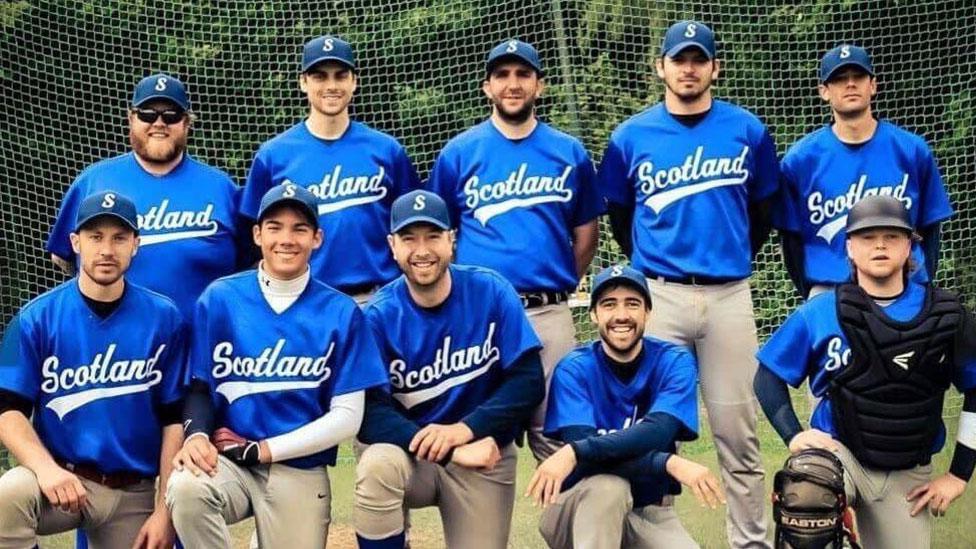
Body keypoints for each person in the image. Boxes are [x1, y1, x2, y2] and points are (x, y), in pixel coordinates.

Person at [597, 20, 778, 547]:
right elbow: (620, 216)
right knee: (655, 426)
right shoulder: (632, 136)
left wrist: (733, 254)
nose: (689, 68)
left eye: (699, 59)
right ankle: (657, 537)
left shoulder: (746, 130)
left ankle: (751, 542)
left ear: (714, 68)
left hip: (728, 295)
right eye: (680, 59)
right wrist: (651, 268)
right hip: (661, 296)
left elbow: (763, 211)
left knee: (737, 433)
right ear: (661, 67)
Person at [164, 183, 388, 548]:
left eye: (299, 228)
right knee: (186, 488)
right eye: (274, 227)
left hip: (299, 467)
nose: (287, 239)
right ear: (256, 234)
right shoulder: (220, 298)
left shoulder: (340, 311)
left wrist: (265, 448)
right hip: (229, 464)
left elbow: (348, 416)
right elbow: (200, 387)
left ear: (317, 238)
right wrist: (198, 436)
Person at [755, 195, 976, 548]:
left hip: (907, 470)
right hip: (839, 458)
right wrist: (793, 435)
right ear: (850, 248)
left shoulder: (947, 317)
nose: (880, 246)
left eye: (892, 236)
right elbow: (767, 378)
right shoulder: (821, 312)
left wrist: (959, 474)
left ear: (910, 247)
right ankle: (829, 522)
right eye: (867, 237)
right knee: (807, 492)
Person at [428, 39, 603, 460]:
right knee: (481, 439)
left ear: (539, 85)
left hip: (548, 314)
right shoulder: (459, 153)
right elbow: (438, 235)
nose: (513, 84)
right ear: (487, 86)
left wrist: (558, 285)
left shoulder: (568, 152)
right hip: (479, 318)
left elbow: (587, 233)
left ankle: (568, 526)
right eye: (502, 75)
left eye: (523, 74)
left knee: (560, 439)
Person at [354, 190, 544, 549]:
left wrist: (463, 430)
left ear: (452, 240)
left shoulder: (490, 290)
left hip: (483, 454)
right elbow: (369, 411)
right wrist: (450, 448)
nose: (422, 250)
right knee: (376, 466)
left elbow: (528, 381)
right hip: (410, 457)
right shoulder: (378, 316)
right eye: (409, 239)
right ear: (392, 245)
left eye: (433, 237)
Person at [0, 190, 186, 548]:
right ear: (75, 242)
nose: (106, 249)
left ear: (136, 244)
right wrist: (45, 469)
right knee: (7, 494)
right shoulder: (33, 318)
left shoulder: (165, 318)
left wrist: (163, 512)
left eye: (119, 238)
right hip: (62, 482)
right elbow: (7, 411)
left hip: (135, 491)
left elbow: (173, 420)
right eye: (95, 236)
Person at [528, 264, 724, 549]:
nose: (621, 315)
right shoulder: (574, 368)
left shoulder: (673, 361)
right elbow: (588, 458)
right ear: (594, 314)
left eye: (632, 304)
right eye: (609, 305)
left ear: (648, 312)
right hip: (579, 506)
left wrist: (577, 450)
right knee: (608, 487)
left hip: (648, 510)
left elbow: (659, 431)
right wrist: (667, 462)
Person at [46, 73, 245, 319]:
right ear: (131, 119)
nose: (159, 123)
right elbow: (63, 256)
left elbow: (250, 264)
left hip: (206, 345)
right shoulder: (94, 182)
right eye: (147, 114)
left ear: (186, 123)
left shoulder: (221, 187)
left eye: (171, 116)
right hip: (119, 348)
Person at [241, 35, 421, 302]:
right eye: (320, 77)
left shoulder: (386, 150)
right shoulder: (274, 155)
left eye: (340, 75)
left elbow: (413, 227)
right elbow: (251, 240)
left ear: (354, 82)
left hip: (381, 298)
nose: (331, 85)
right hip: (307, 300)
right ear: (303, 82)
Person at [775, 44, 953, 298]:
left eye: (858, 76)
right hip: (831, 290)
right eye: (839, 78)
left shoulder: (912, 150)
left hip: (904, 287)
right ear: (824, 91)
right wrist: (812, 292)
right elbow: (791, 241)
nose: (850, 84)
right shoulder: (800, 160)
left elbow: (930, 229)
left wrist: (920, 283)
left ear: (873, 85)